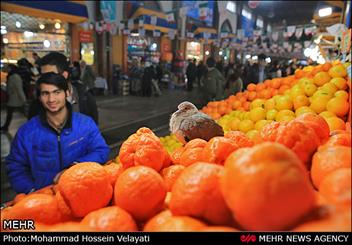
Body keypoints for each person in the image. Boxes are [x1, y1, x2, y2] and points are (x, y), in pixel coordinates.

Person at [5, 72, 110, 194]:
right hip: (44, 199)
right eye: (45, 93)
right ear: (39, 97)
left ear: (67, 93)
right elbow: (15, 167)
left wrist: (74, 168)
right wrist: (32, 191)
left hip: (81, 192)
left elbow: (101, 151)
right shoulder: (26, 132)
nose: (51, 99)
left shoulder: (85, 124)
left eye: (57, 92)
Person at [27, 52, 99, 124]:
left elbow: (93, 129)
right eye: (43, 76)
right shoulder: (37, 104)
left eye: (50, 76)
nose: (45, 81)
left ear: (64, 75)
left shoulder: (86, 98)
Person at [0, 64, 27, 131]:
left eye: (7, 68)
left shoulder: (15, 77)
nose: (5, 69)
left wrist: (24, 100)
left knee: (24, 113)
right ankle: (6, 126)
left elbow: (19, 89)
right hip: (12, 98)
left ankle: (6, 126)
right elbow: (9, 88)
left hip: (16, 99)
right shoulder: (11, 76)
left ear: (11, 68)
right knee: (11, 113)